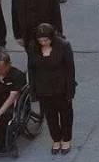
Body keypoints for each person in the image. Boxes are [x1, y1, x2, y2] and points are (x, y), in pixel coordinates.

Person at [27, 23, 76, 155]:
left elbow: (70, 70)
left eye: (46, 40)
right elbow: (31, 70)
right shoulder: (33, 47)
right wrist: (33, 91)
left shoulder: (63, 46)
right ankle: (56, 139)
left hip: (61, 88)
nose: (43, 43)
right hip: (44, 88)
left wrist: (70, 90)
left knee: (66, 115)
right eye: (40, 40)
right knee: (50, 116)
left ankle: (66, 139)